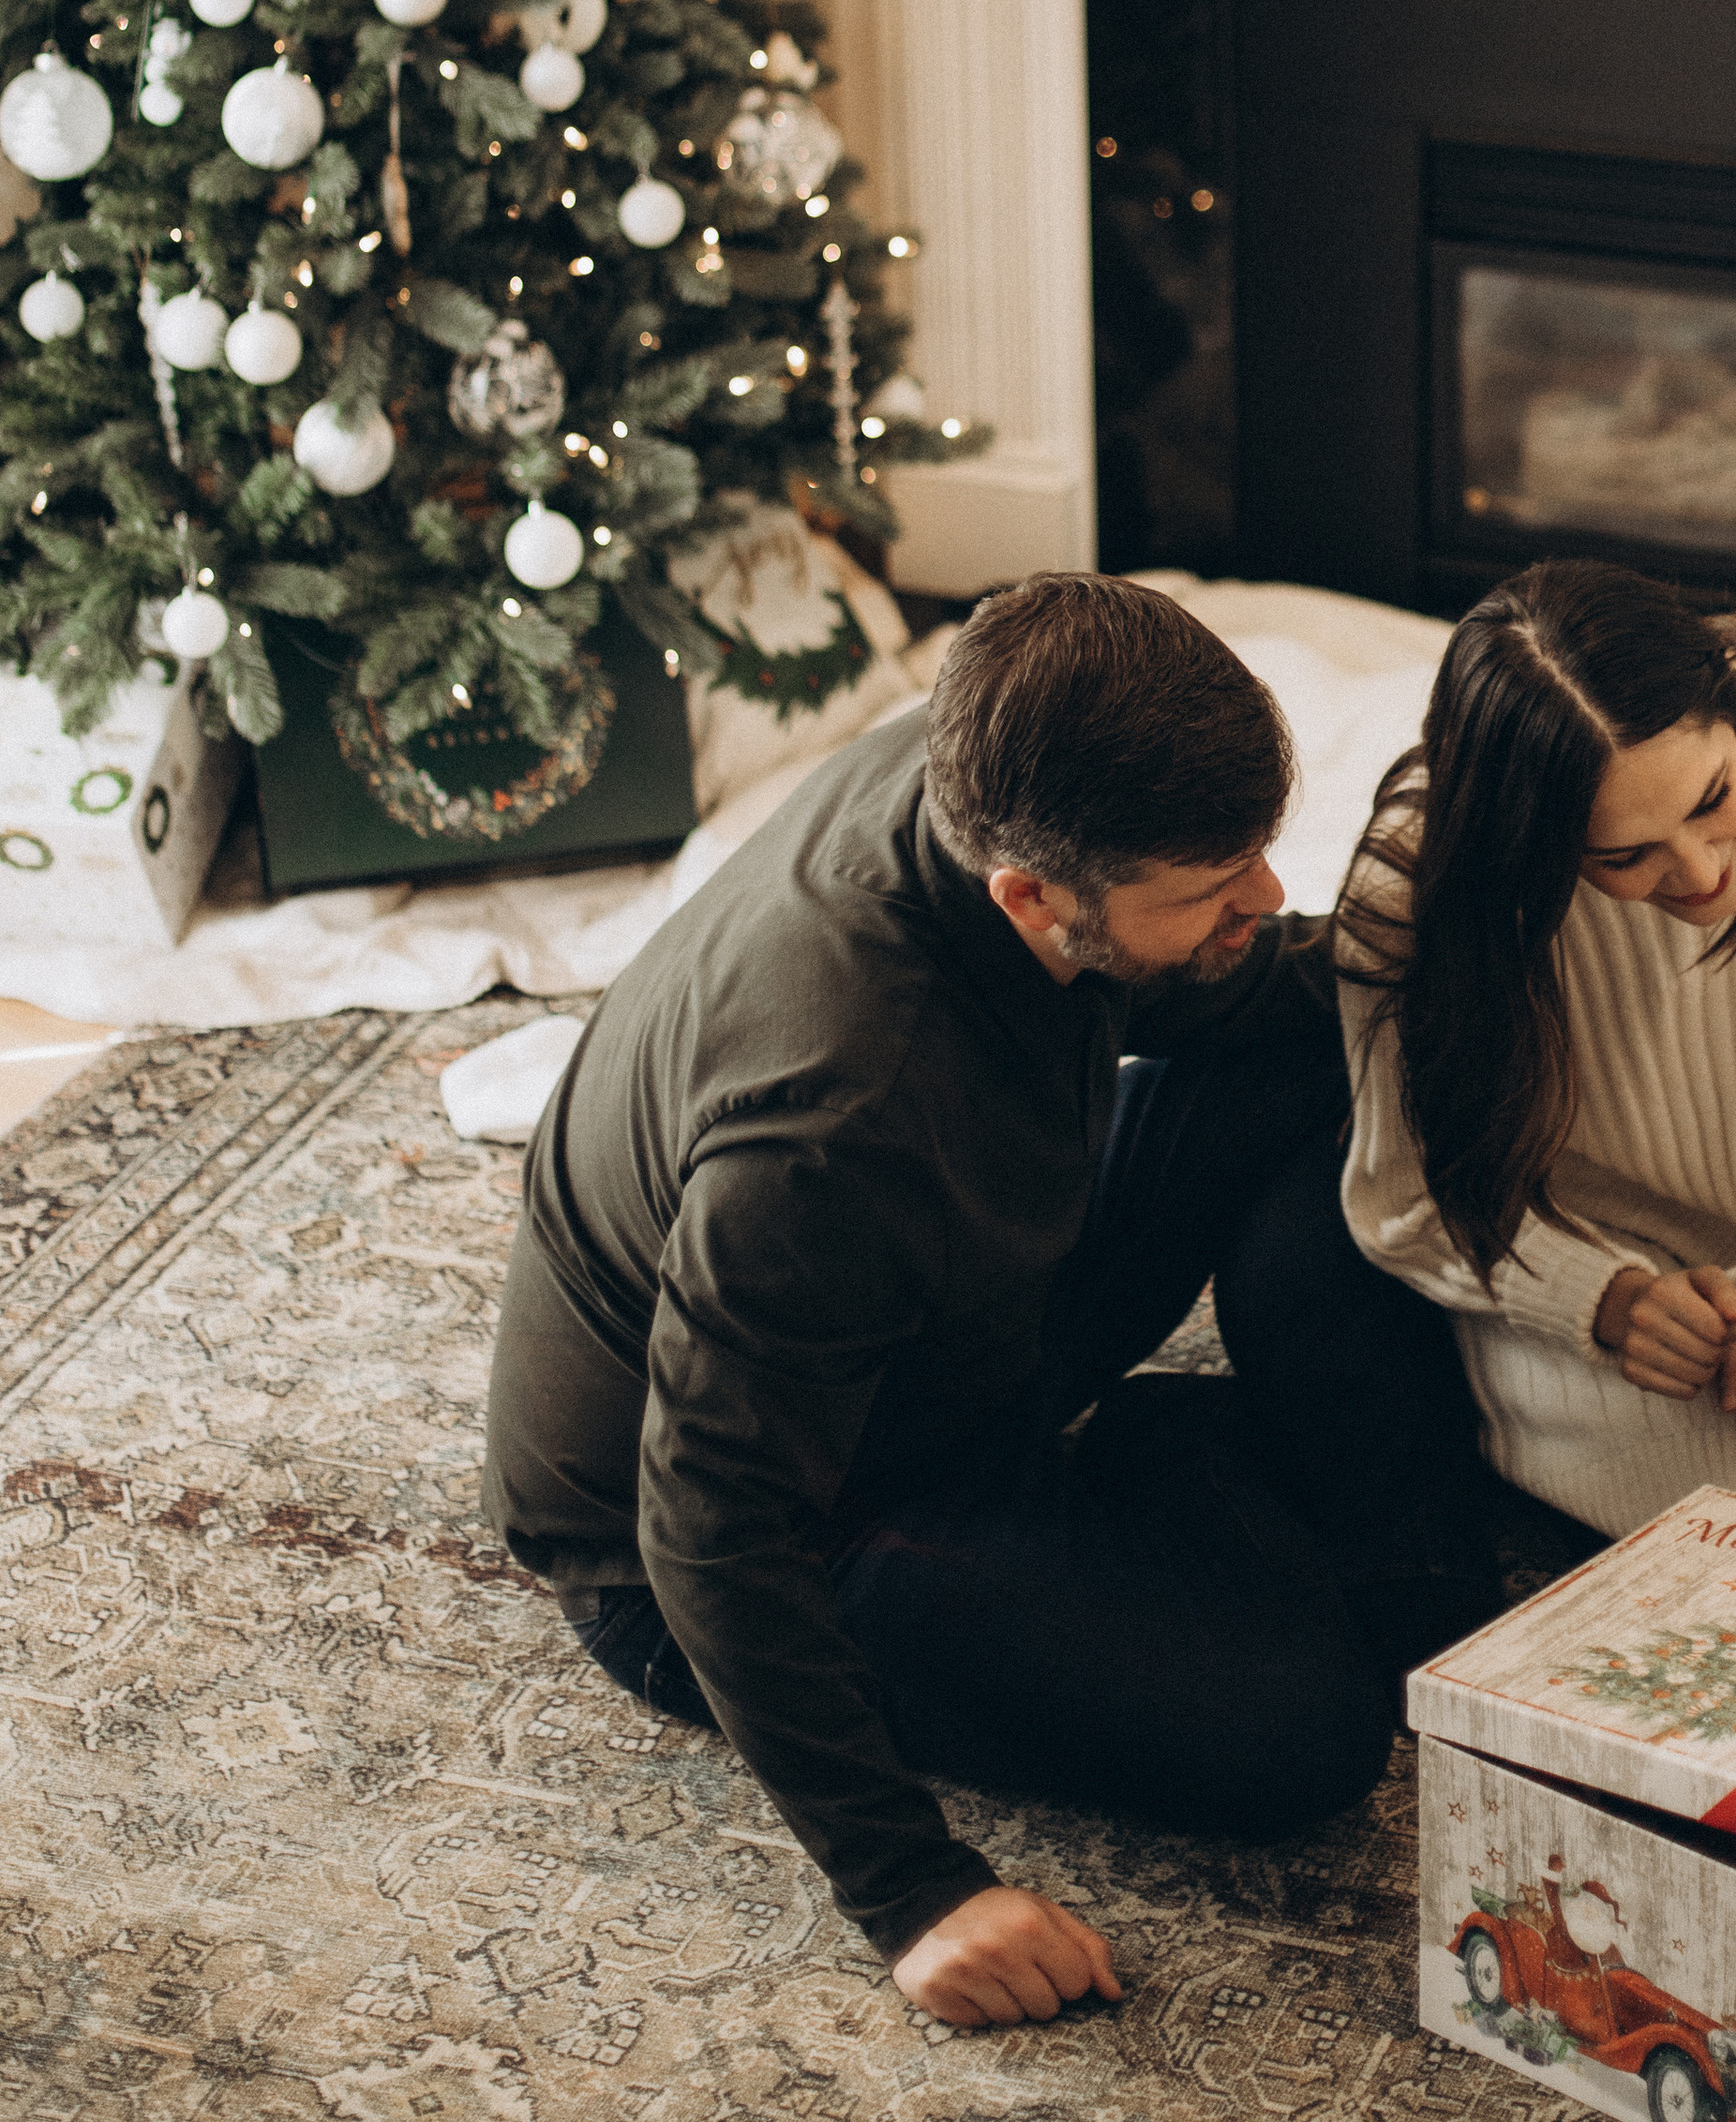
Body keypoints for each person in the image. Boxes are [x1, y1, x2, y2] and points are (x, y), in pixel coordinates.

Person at [483, 572, 1495, 2031]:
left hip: (947, 1320)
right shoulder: (832, 1123)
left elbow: (1186, 983)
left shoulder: (997, 753)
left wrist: (1428, 963)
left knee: (1325, 1035)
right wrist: (911, 1892)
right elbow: (707, 1517)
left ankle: (1399, 1589)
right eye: (1214, 883)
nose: (1262, 897)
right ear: (1031, 893)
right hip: (756, 1530)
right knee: (1303, 1738)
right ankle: (1183, 1488)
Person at [1333, 558, 1736, 1544]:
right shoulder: (1413, 892)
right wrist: (1601, 1301)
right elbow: (1404, 1202)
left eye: (1711, 798)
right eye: (1620, 856)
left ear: (1730, 714)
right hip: (1603, 1278)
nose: (1699, 876)